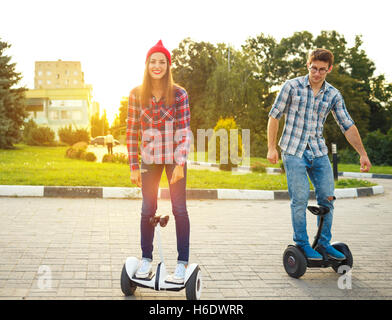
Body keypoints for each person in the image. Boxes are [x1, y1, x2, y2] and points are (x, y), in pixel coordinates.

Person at [267, 48, 372, 261]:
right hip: (293, 150)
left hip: (318, 151)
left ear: (329, 69)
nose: (317, 73)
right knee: (300, 198)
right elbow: (274, 116)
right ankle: (303, 244)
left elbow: (347, 125)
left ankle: (323, 243)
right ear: (308, 65)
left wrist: (362, 153)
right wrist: (271, 147)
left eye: (322, 70)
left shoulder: (333, 94)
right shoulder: (292, 86)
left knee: (328, 197)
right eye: (314, 68)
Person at [126, 40, 191, 283]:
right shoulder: (136, 94)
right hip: (149, 160)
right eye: (153, 61)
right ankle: (146, 259)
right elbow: (132, 131)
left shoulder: (179, 94)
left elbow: (184, 130)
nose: (157, 66)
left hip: (175, 158)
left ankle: (182, 263)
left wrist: (181, 163)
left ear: (168, 65)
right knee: (147, 209)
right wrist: (133, 166)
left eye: (161, 62)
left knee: (179, 209)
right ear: (147, 64)